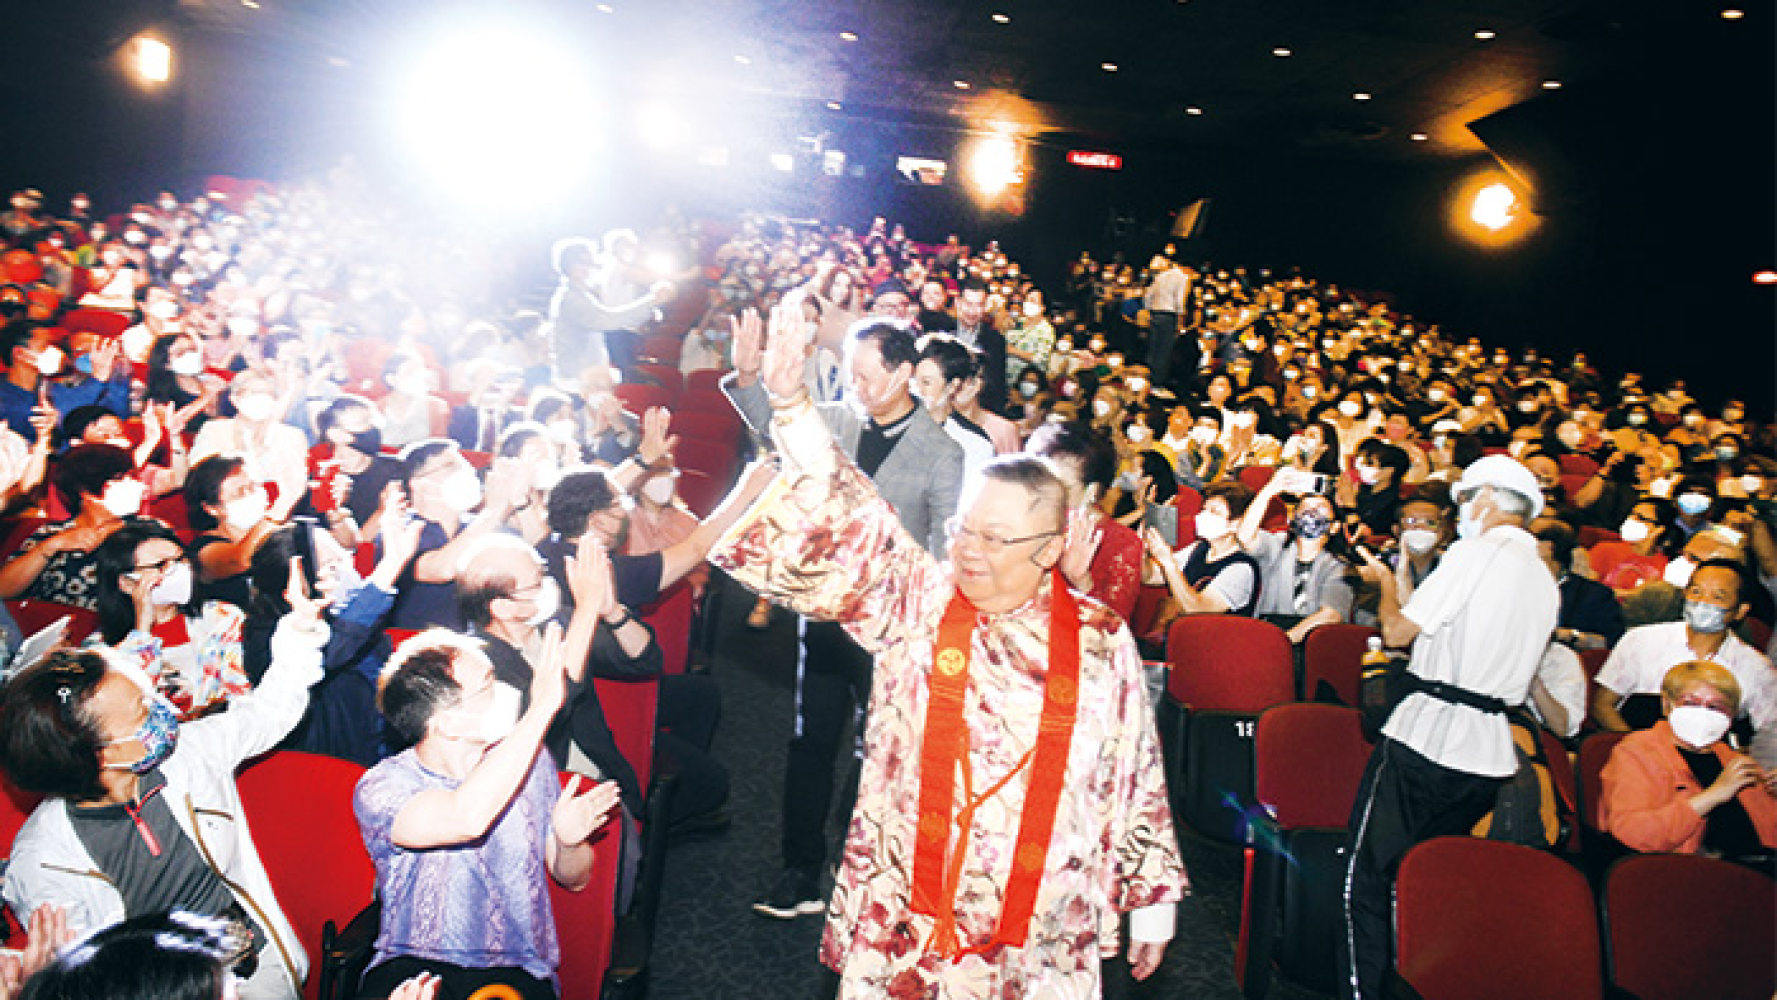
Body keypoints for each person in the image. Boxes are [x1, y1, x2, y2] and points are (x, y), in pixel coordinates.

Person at [710, 302, 1185, 997]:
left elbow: (1133, 766)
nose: (970, 551)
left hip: (1042, 912)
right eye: (965, 530)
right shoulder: (919, 601)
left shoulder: (1099, 637)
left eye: (996, 539)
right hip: (911, 895)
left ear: (1050, 549)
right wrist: (788, 405)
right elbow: (851, 510)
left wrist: (1152, 902)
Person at [724, 304, 964, 920]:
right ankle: (800, 867)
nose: (854, 386)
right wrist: (750, 376)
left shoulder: (941, 451)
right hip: (826, 616)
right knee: (810, 741)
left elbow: (943, 547)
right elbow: (773, 422)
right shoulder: (836, 419)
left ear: (904, 373)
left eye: (865, 375)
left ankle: (854, 860)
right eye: (849, 373)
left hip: (891, 625)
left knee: (877, 745)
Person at [0, 587, 331, 999]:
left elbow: (269, 712)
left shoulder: (186, 755)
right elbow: (90, 981)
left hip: (250, 962)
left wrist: (301, 630)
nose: (164, 711)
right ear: (100, 755)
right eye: (143, 710)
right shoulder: (44, 862)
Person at [1342, 455, 1559, 1000]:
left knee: (1367, 879)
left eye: (1465, 499)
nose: (1461, 511)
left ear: (1485, 498)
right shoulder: (1543, 577)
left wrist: (1384, 580)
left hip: (1429, 734)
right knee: (1425, 883)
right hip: (1487, 751)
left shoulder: (1475, 552)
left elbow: (1397, 632)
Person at [353, 628, 622, 1000]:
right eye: (487, 687)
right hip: (413, 961)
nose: (506, 692)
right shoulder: (383, 786)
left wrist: (568, 842)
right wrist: (541, 709)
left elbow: (574, 879)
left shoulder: (530, 762)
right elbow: (465, 819)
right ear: (446, 723)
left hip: (514, 966)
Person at [1601, 661, 1776, 859]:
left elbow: (1766, 830)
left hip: (1756, 865)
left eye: (1715, 707)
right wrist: (1713, 795)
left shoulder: (1731, 758)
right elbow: (1634, 834)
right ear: (1667, 705)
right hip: (1688, 868)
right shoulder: (1636, 752)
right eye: (1691, 703)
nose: (1703, 713)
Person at [1591, 558, 1776, 733]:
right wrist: (1640, 746)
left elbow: (1768, 732)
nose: (1703, 602)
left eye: (1717, 596)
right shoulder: (1640, 640)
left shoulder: (1756, 667)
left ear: (1740, 611)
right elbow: (1603, 706)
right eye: (1696, 591)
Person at [1237, 466, 1355, 644]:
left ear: (1334, 526)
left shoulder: (1340, 565)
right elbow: (1245, 536)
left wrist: (1282, 642)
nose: (1311, 513)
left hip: (1313, 639)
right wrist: (1270, 489)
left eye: (1320, 508)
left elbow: (1331, 614)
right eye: (1305, 508)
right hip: (1269, 628)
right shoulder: (1277, 546)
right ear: (1292, 520)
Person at [1142, 256, 1189, 388]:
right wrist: (1181, 322)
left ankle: (1148, 377)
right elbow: (1180, 301)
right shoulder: (1182, 277)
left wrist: (1149, 309)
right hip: (1169, 315)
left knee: (1154, 348)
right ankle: (1157, 382)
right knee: (1164, 350)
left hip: (1156, 313)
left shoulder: (1160, 277)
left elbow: (1148, 296)